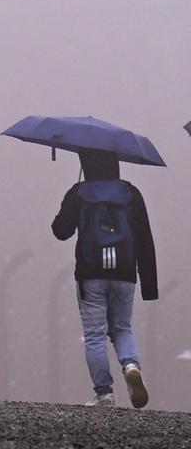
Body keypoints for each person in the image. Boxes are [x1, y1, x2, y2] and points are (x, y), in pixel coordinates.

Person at [52, 149, 158, 408]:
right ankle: (131, 365)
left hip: (91, 275)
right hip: (124, 274)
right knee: (122, 328)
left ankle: (105, 394)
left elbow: (60, 232)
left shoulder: (79, 192)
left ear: (85, 162)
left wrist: (73, 202)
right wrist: (149, 285)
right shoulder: (131, 193)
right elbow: (144, 239)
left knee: (95, 335)